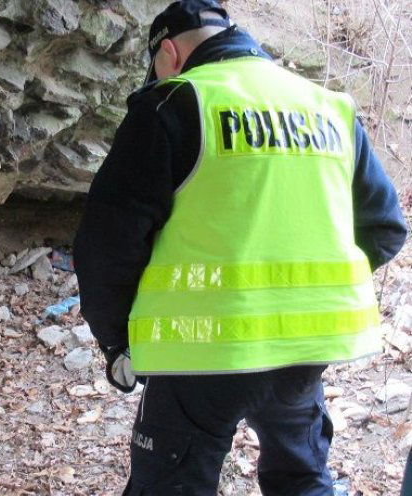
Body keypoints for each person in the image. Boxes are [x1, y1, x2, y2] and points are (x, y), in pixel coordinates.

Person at [73, 1, 408, 494]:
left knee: (171, 483)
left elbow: (106, 245)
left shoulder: (174, 103)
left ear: (168, 52)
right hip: (307, 348)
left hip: (200, 352)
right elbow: (385, 229)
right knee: (302, 479)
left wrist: (118, 344)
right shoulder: (328, 105)